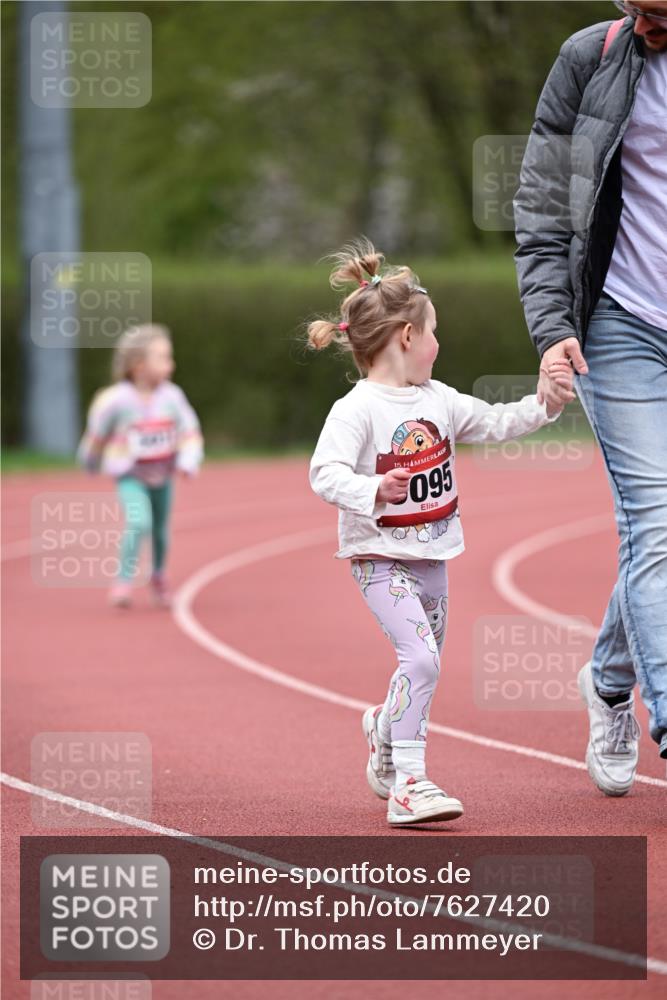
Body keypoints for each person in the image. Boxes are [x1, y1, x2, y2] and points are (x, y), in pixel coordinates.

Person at [307, 239, 573, 827]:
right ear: (407, 337)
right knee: (422, 662)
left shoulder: (440, 400)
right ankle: (410, 784)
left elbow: (497, 422)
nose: (438, 343)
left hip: (433, 558)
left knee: (422, 666)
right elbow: (323, 473)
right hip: (379, 558)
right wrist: (373, 489)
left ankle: (383, 728)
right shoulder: (356, 410)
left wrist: (546, 404)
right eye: (433, 332)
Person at [514, 1, 667, 796]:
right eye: (634, 8)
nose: (643, 24)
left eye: (658, 13)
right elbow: (543, 206)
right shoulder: (591, 57)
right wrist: (551, 327)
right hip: (621, 323)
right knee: (656, 521)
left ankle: (608, 680)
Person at [77, 323, 204, 608]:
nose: (171, 365)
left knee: (160, 531)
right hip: (131, 477)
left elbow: (190, 430)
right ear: (138, 366)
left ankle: (158, 575)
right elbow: (97, 433)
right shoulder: (115, 400)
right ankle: (123, 580)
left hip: (163, 476)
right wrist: (90, 459)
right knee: (138, 522)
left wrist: (188, 460)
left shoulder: (172, 397)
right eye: (163, 358)